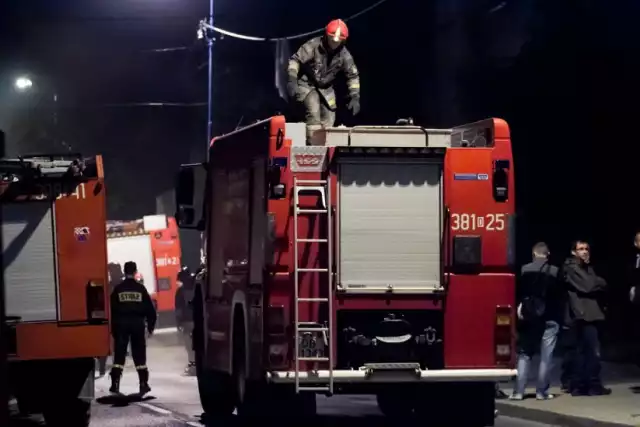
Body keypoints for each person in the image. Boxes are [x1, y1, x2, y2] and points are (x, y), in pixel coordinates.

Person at [287, 19, 361, 145]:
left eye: (338, 41)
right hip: (307, 84)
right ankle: (313, 148)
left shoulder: (344, 55)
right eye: (332, 39)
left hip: (326, 88)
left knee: (329, 118)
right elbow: (295, 60)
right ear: (326, 35)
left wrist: (355, 96)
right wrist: (292, 79)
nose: (334, 43)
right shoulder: (314, 45)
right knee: (313, 112)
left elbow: (353, 76)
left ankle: (325, 147)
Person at [510, 242, 562, 400]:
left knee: (524, 355)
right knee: (546, 356)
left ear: (533, 254)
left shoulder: (524, 270)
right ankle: (541, 392)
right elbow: (560, 296)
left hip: (529, 318)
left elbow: (517, 292)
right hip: (550, 317)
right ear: (548, 254)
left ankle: (519, 392)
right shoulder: (555, 271)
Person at [561, 240, 611, 396]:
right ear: (573, 252)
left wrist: (596, 281)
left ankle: (587, 384)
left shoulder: (586, 268)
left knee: (588, 353)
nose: (585, 252)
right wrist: (596, 282)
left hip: (589, 314)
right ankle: (585, 385)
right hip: (581, 315)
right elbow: (589, 285)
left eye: (586, 249)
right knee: (586, 353)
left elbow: (603, 284)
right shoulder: (571, 267)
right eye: (581, 249)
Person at [109, 261, 157, 395]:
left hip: (122, 324)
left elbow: (112, 310)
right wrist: (151, 327)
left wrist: (113, 329)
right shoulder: (140, 289)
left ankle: (115, 384)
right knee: (139, 354)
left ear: (124, 272)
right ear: (135, 271)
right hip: (137, 324)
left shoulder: (118, 289)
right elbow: (150, 310)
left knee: (119, 354)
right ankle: (143, 383)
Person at [175, 266, 196, 376]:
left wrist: (178, 323)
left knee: (189, 344)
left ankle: (192, 366)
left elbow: (179, 309)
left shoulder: (180, 291)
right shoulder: (195, 287)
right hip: (197, 320)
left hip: (187, 321)